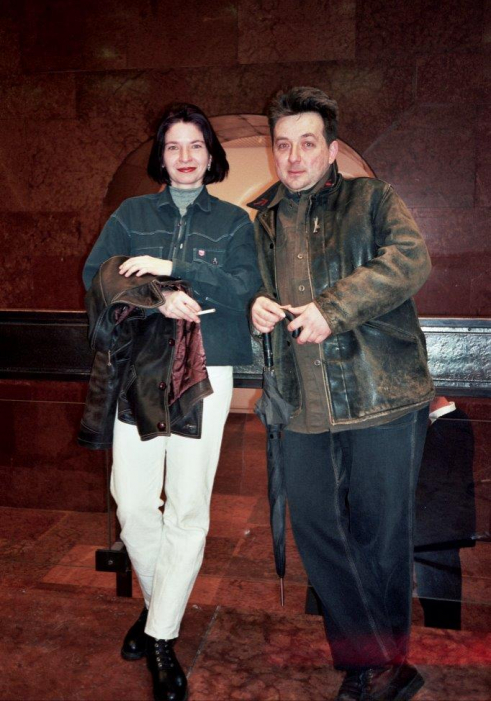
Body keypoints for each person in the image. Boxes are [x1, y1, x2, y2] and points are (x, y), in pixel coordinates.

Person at [250, 87, 434, 701]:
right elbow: (253, 293)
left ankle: (373, 668)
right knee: (318, 532)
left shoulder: (372, 199)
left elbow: (410, 260)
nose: (294, 157)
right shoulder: (265, 221)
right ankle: (380, 662)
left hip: (382, 395)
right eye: (283, 145)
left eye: (308, 143)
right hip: (302, 405)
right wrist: (255, 308)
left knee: (381, 536)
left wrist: (333, 309)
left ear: (331, 151)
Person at [82, 102, 261, 701]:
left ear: (211, 156)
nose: (185, 157)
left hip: (206, 371)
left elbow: (246, 289)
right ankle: (165, 605)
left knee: (187, 507)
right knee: (133, 503)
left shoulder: (235, 223)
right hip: (140, 369)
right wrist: (157, 294)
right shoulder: (132, 214)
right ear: (161, 157)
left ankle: (160, 635)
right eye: (173, 146)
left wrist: (176, 265)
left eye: (195, 146)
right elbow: (97, 275)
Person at [414, 396, 476, 630]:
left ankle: (444, 645)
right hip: (437, 532)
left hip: (436, 534)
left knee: (439, 604)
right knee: (437, 601)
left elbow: (430, 479)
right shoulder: (450, 424)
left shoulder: (451, 424)